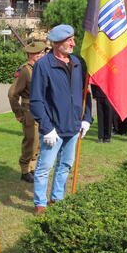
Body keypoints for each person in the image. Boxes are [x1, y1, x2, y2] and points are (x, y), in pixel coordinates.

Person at [29, 24, 92, 214]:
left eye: (73, 39)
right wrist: (47, 128)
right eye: (69, 40)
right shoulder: (43, 65)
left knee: (65, 165)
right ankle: (40, 203)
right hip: (53, 129)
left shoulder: (78, 62)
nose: (73, 43)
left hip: (74, 125)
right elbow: (37, 100)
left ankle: (57, 198)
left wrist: (87, 118)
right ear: (57, 44)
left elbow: (84, 93)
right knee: (44, 168)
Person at [8, 41, 45, 183]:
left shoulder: (40, 68)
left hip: (41, 109)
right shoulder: (25, 70)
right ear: (31, 55)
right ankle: (24, 170)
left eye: (42, 53)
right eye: (39, 53)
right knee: (31, 140)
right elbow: (12, 94)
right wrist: (18, 113)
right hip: (29, 110)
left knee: (39, 142)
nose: (42, 55)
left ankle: (32, 167)